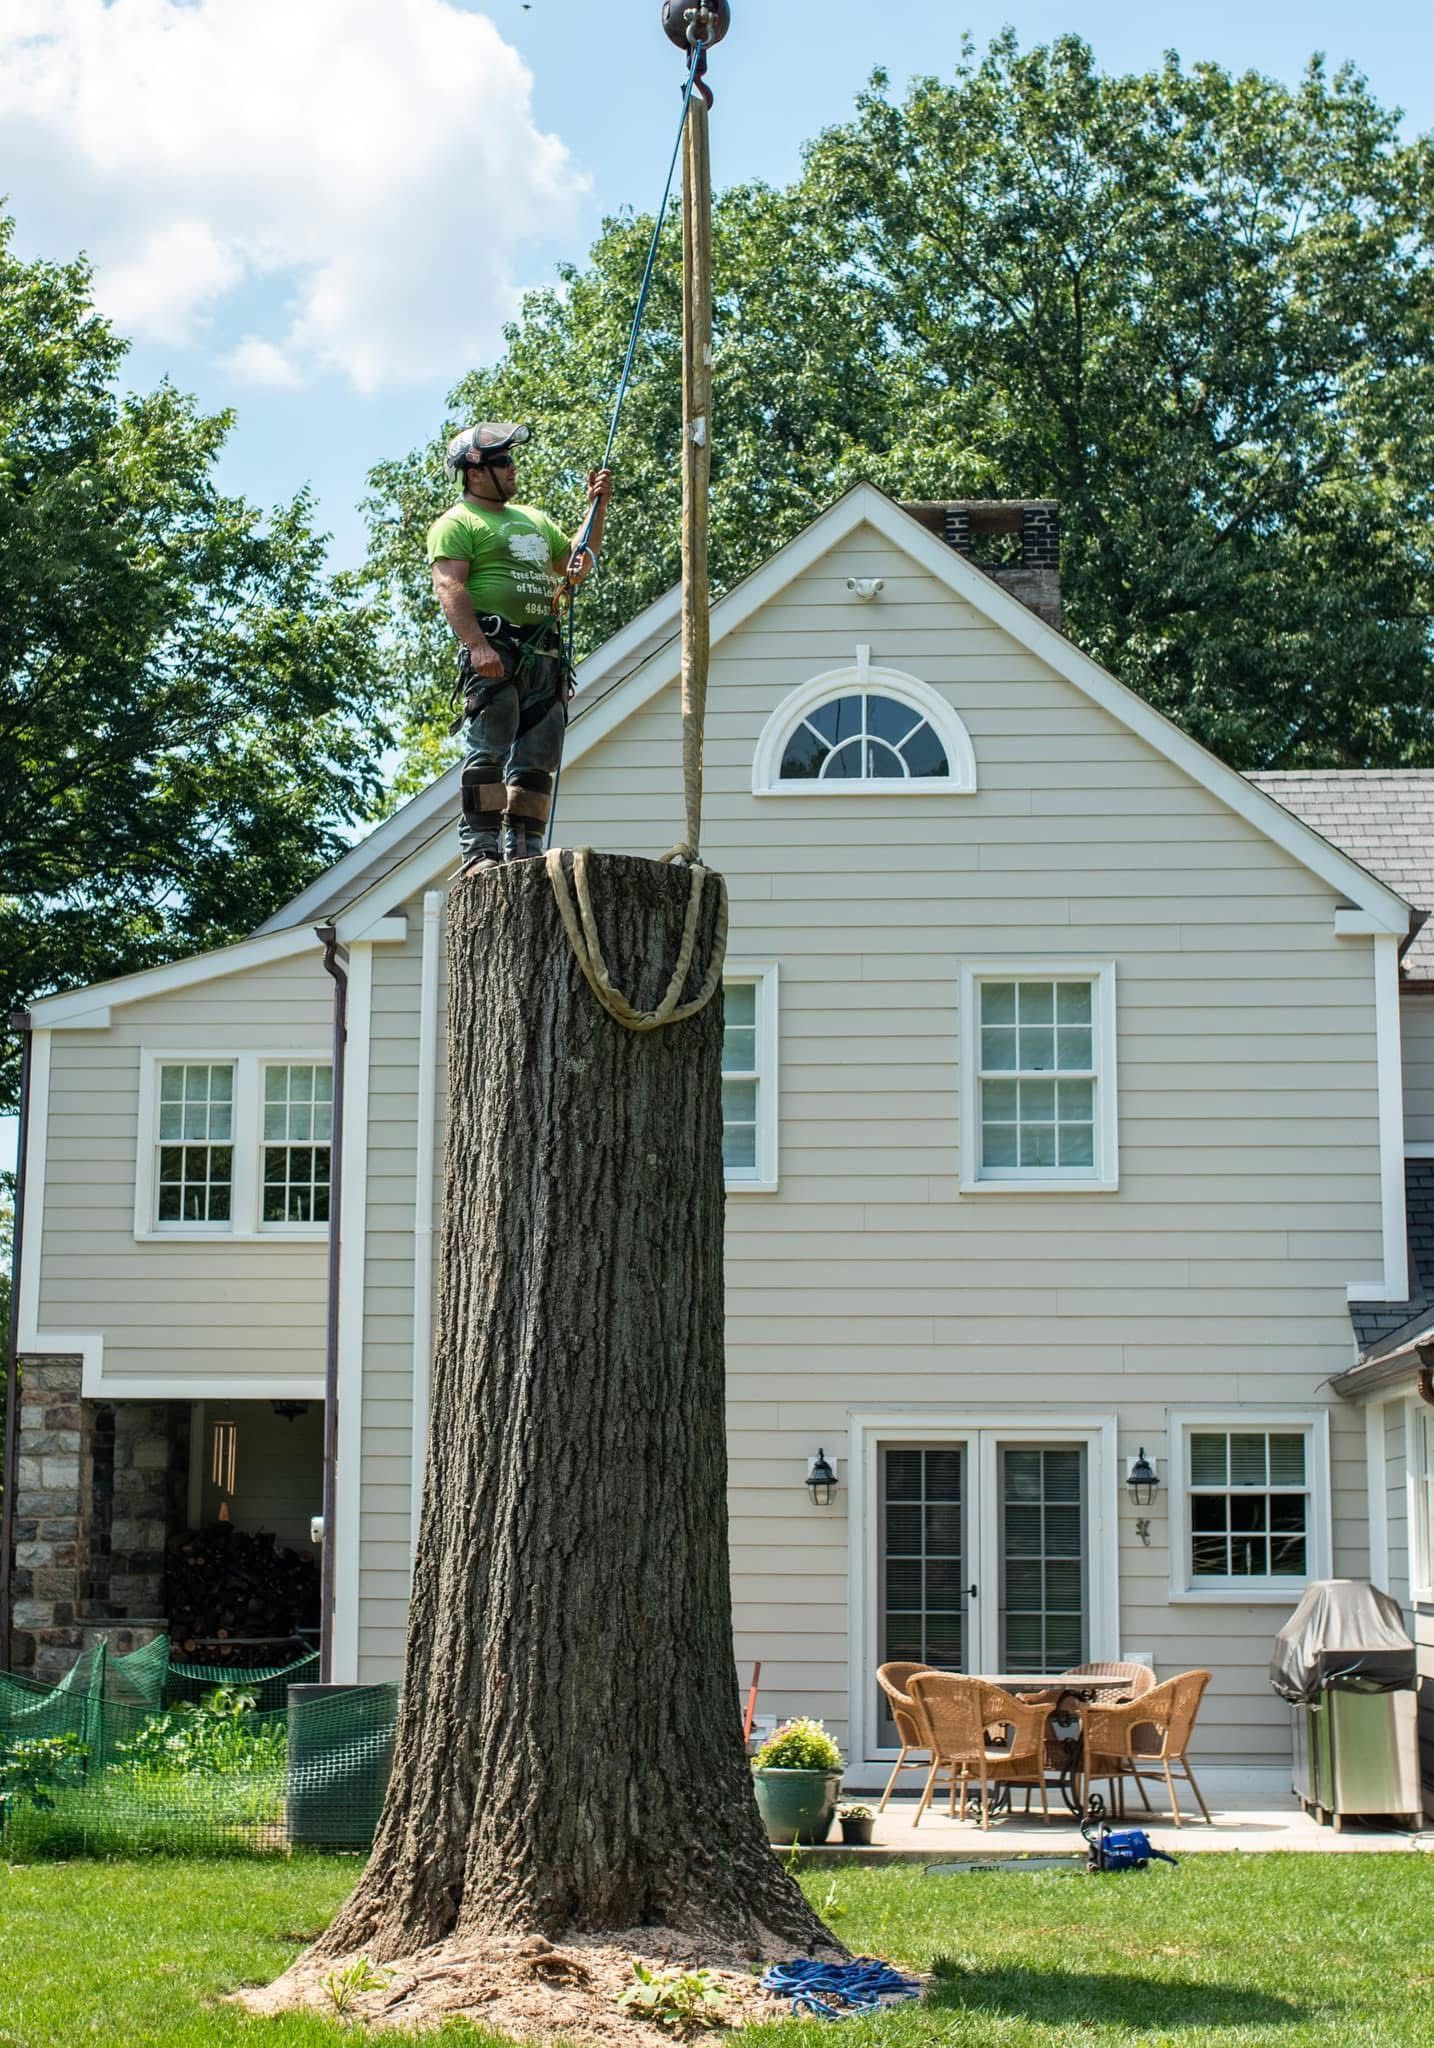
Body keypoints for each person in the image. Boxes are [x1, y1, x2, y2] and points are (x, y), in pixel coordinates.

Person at [427, 423, 613, 869]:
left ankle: (524, 854)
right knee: (487, 749)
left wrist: (597, 507)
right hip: (497, 648)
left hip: (543, 655)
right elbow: (449, 585)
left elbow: (574, 566)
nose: (513, 469)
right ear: (475, 472)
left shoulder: (532, 519)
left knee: (537, 759)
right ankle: (480, 852)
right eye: (504, 462)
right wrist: (476, 646)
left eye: (512, 460)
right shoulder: (459, 523)